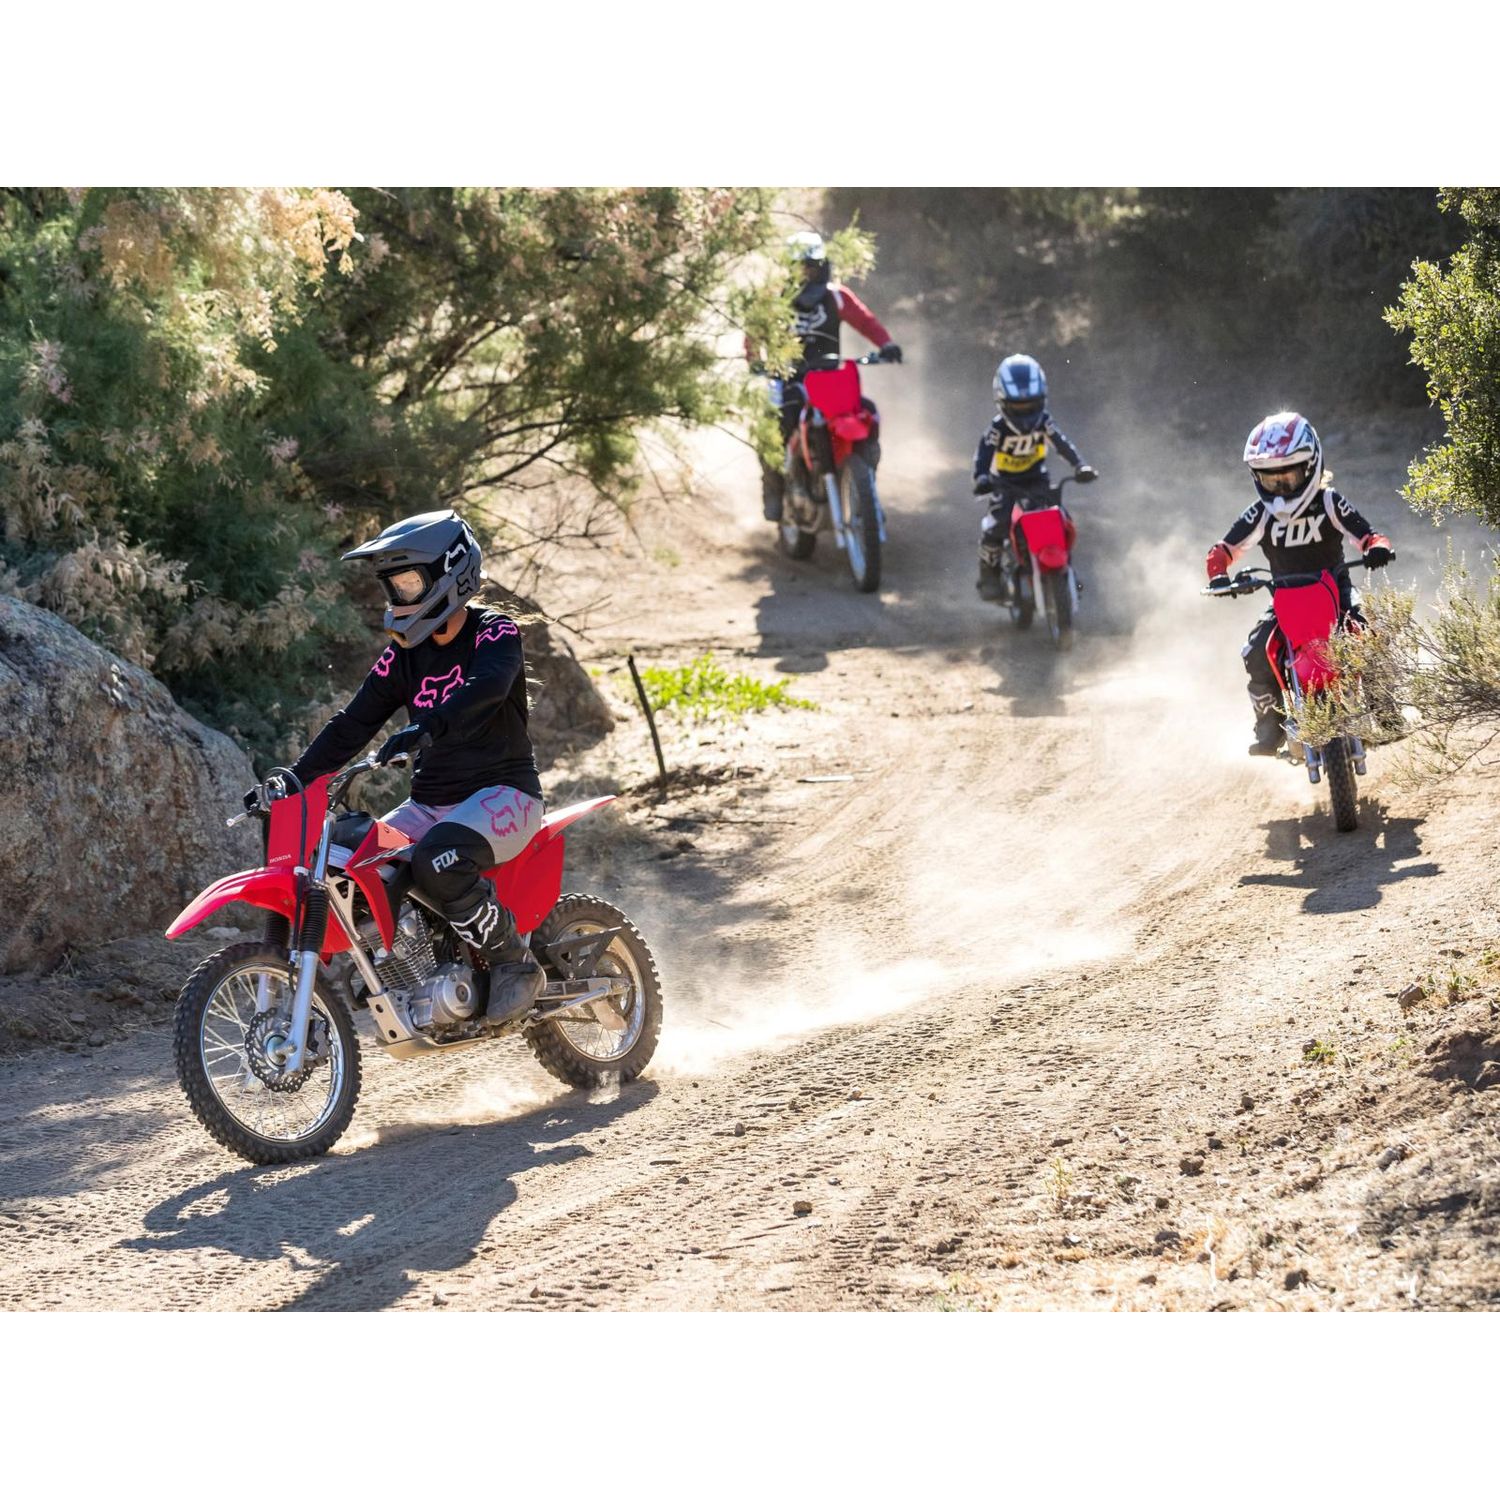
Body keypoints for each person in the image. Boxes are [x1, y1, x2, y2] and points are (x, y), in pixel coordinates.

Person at [244, 509, 547, 1026]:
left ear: (450, 572)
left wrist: (428, 725)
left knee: (439, 860)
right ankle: (414, 964)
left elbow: (488, 689)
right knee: (350, 863)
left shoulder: (494, 632)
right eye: (393, 585)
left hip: (505, 795)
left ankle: (513, 962)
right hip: (430, 805)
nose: (399, 595)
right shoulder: (403, 656)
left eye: (408, 582)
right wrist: (294, 778)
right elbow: (353, 722)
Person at [1205, 413, 1394, 756]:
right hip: (1286, 599)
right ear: (1257, 476)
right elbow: (1224, 549)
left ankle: (1385, 709)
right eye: (1271, 478)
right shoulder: (1260, 513)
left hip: (1337, 593)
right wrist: (1219, 574)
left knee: (1370, 632)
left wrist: (1376, 548)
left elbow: (1369, 535)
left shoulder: (1329, 502)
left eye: (1288, 476)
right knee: (1257, 651)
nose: (1280, 487)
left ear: (1310, 467)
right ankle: (1270, 725)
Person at [750, 231, 902, 522]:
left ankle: (866, 489)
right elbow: (755, 332)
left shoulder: (836, 297)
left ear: (823, 266)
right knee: (776, 421)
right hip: (787, 378)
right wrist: (756, 361)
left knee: (867, 413)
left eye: (812, 266)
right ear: (788, 268)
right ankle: (774, 488)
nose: (807, 272)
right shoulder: (774, 299)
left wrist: (886, 345)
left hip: (829, 377)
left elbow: (866, 321)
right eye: (800, 267)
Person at [972, 353, 1097, 600]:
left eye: (1030, 405)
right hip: (1004, 483)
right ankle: (989, 574)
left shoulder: (1044, 422)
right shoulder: (997, 429)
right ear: (1002, 401)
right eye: (1018, 407)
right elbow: (983, 454)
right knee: (996, 526)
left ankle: (1067, 571)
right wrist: (982, 478)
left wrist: (1080, 466)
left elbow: (1062, 444)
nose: (1025, 413)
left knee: (1061, 521)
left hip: (1037, 480)